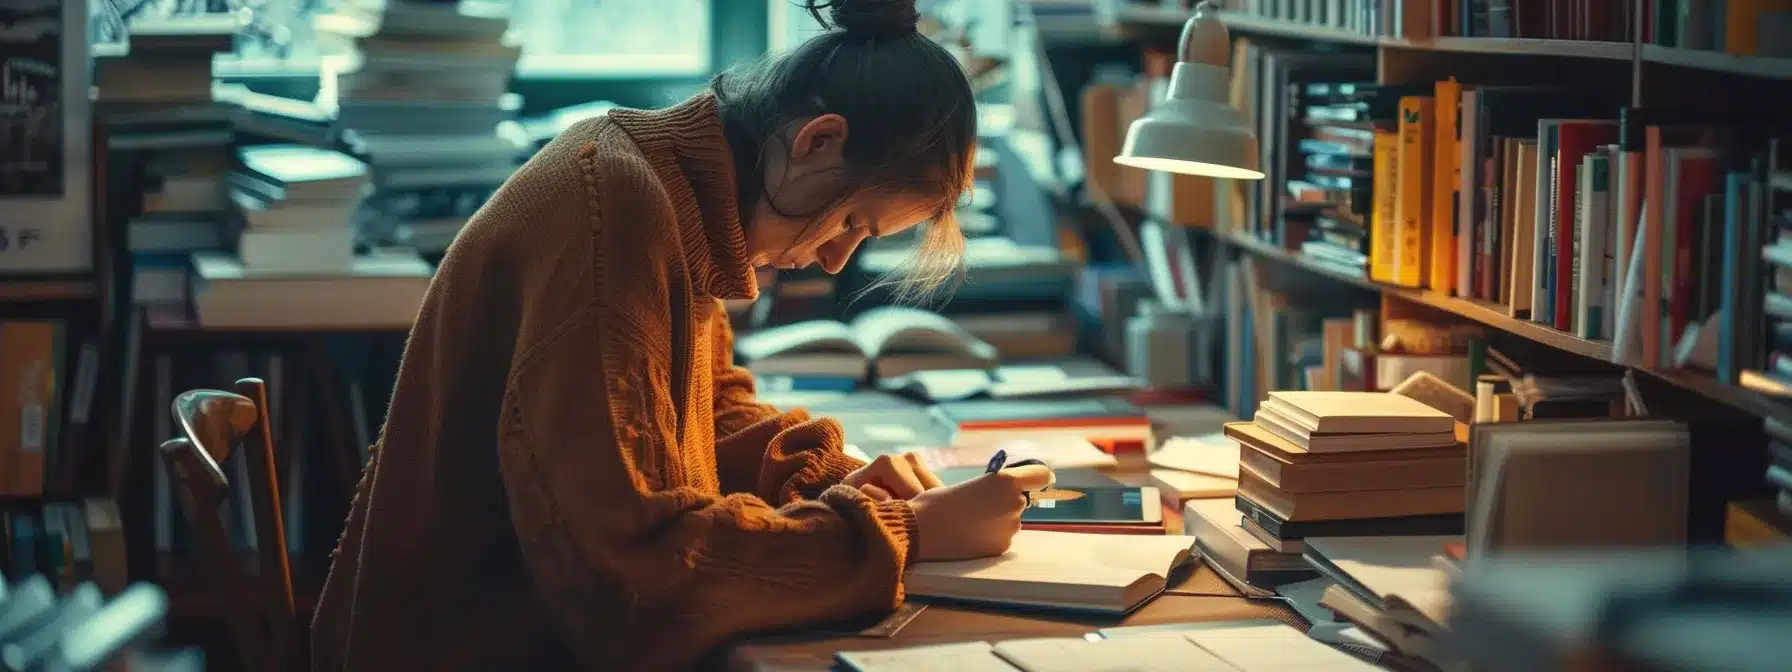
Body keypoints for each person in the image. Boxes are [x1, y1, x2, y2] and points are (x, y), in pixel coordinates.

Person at [310, 0, 1054, 669]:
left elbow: (707, 415)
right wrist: (902, 535)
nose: (835, 259)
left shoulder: (673, 189)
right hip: (468, 646)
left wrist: (832, 479)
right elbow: (636, 579)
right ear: (819, 140)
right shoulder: (616, 214)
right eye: (852, 222)